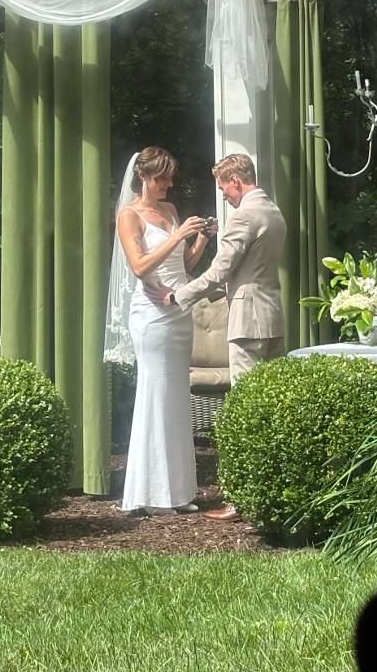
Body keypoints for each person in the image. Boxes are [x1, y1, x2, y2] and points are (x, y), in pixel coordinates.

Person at [164, 152, 287, 522]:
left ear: (236, 179)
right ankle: (272, 490)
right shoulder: (274, 211)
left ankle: (242, 499)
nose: (225, 195)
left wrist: (179, 296)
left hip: (248, 321)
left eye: (224, 187)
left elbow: (220, 273)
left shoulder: (245, 216)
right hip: (272, 316)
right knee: (270, 407)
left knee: (247, 408)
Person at [108, 146, 215, 516]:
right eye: (162, 178)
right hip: (151, 316)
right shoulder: (129, 215)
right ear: (143, 177)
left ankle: (177, 492)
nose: (169, 185)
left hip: (177, 310)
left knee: (176, 398)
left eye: (171, 177)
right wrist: (176, 235)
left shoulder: (169, 211)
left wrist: (200, 238)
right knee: (154, 394)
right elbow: (138, 267)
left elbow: (182, 265)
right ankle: (146, 492)